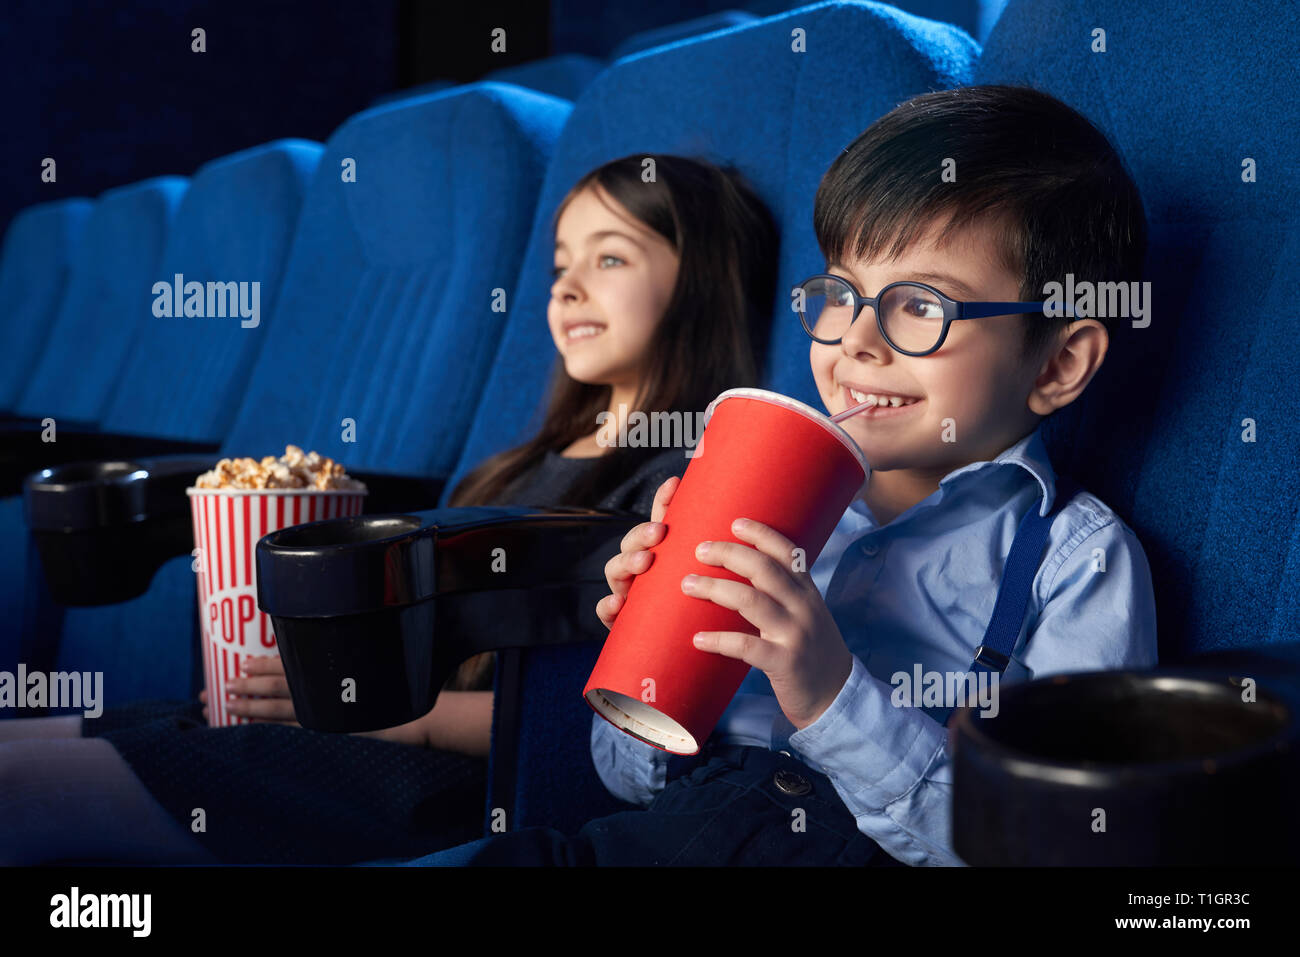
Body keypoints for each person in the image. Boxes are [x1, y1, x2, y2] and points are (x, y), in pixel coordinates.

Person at [396, 84, 1160, 867]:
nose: (856, 341)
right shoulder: (776, 507)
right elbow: (628, 780)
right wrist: (653, 656)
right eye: (839, 295)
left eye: (921, 307)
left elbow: (1066, 844)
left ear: (1059, 362)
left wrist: (833, 693)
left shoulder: (1077, 561)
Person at [0, 154, 779, 866]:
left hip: (440, 782)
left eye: (610, 257)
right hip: (355, 740)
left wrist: (403, 719)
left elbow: (604, 715)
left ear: (701, 281)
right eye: (558, 266)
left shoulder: (681, 487)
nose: (567, 287)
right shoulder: (510, 465)